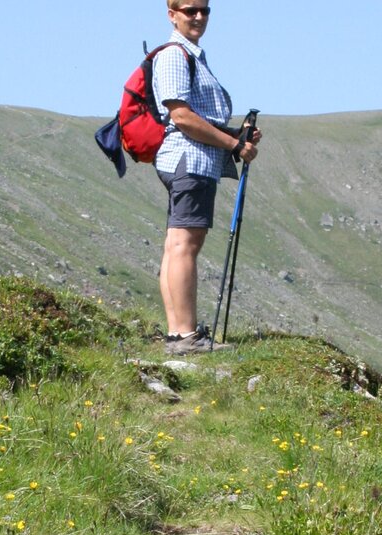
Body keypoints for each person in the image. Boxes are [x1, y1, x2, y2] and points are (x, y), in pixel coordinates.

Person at [153, 0, 260, 355]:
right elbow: (181, 116)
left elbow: (192, 116)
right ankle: (186, 337)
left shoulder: (191, 55)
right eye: (189, 9)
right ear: (172, 14)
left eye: (205, 10)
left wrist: (234, 134)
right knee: (186, 245)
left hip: (188, 160)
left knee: (176, 245)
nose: (198, 16)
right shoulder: (174, 55)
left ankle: (177, 333)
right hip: (191, 161)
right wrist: (233, 142)